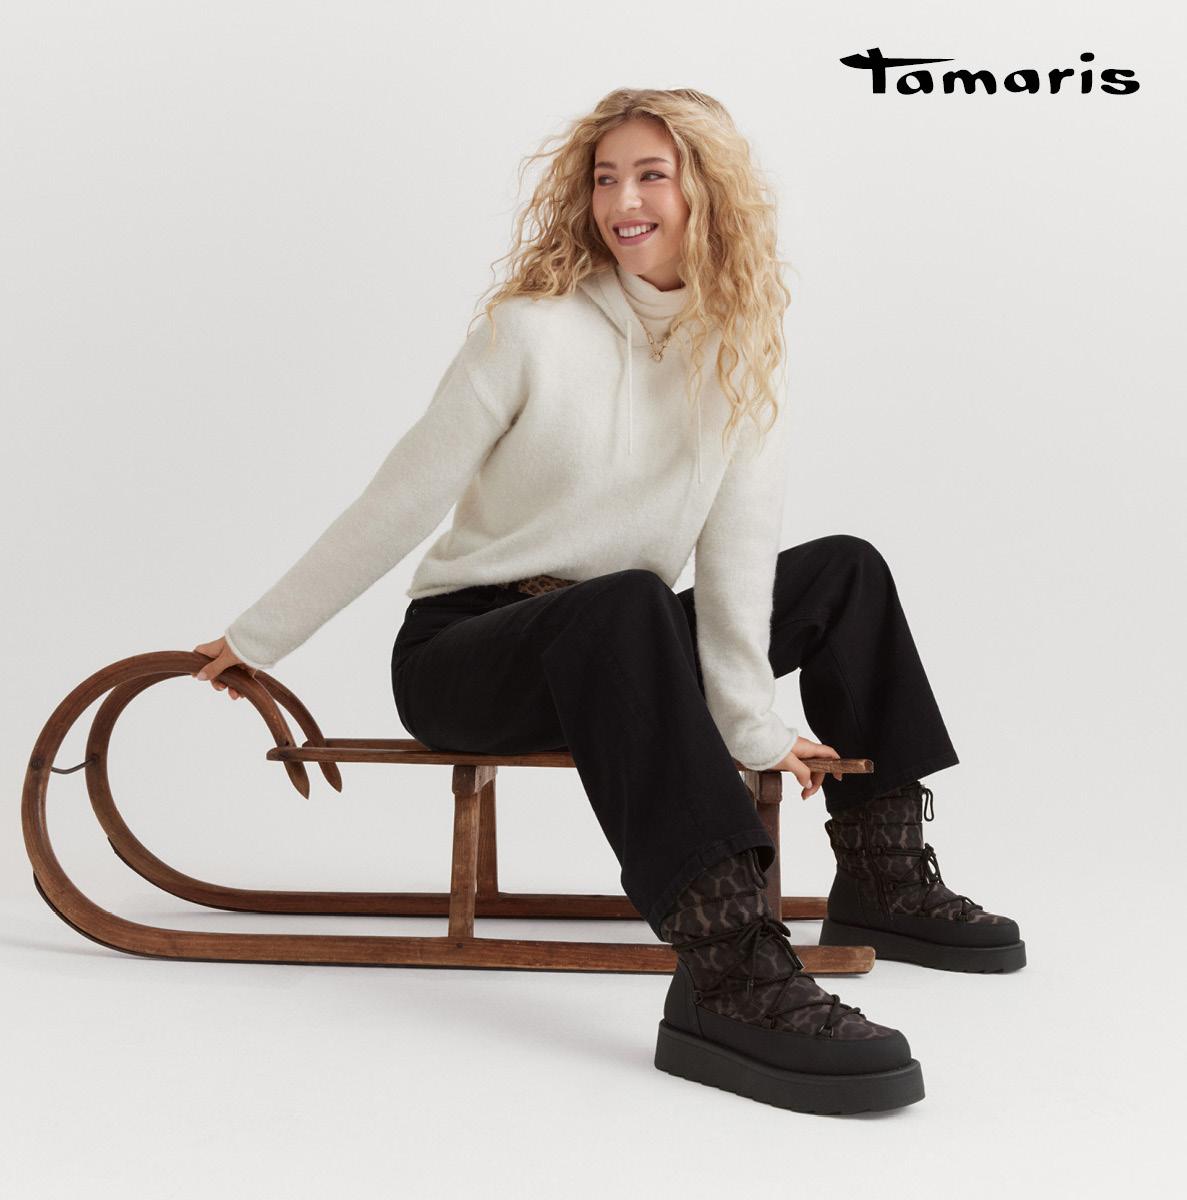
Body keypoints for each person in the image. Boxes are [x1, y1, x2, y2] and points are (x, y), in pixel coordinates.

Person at [191, 88, 1024, 1116]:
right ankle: (726, 963)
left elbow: (736, 557)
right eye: (604, 179)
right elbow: (398, 500)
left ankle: (881, 876)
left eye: (650, 175)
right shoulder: (528, 331)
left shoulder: (738, 347)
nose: (623, 201)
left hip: (622, 646)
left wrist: (752, 725)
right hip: (471, 652)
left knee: (841, 570)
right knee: (626, 600)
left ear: (705, 192)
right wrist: (259, 637)